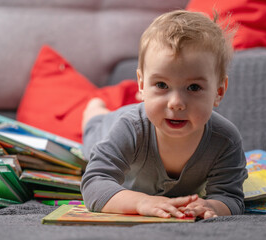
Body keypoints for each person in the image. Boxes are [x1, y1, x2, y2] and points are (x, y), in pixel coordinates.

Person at [80, 10, 248, 220]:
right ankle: (95, 111)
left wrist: (211, 205)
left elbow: (230, 197)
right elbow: (95, 183)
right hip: (110, 126)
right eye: (162, 85)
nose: (176, 103)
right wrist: (142, 201)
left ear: (219, 91)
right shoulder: (130, 129)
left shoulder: (225, 140)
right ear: (141, 85)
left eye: (193, 87)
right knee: (90, 141)